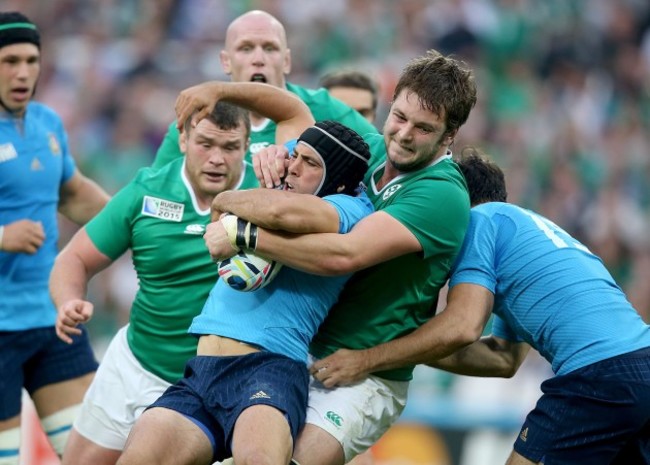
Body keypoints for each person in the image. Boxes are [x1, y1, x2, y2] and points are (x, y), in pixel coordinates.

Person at [174, 49, 477, 465]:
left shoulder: (441, 193)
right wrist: (222, 94)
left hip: (364, 374)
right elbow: (295, 112)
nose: (404, 134)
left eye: (423, 128)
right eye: (399, 117)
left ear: (449, 136)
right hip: (299, 355)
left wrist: (245, 235)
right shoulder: (370, 151)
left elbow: (343, 255)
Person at [309, 148, 650, 465]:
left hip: (598, 375)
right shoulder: (524, 233)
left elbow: (462, 327)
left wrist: (366, 357)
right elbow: (503, 358)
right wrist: (395, 341)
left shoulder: (479, 221)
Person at [116, 119, 374, 465]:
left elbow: (277, 212)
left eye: (310, 163)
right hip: (202, 370)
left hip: (269, 368)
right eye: (295, 156)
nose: (294, 168)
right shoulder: (277, 192)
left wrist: (229, 209)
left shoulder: (353, 209)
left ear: (339, 181)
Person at [49, 98, 268, 465]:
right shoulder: (146, 191)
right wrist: (69, 300)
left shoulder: (268, 199)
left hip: (206, 387)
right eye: (206, 144)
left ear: (247, 147)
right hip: (134, 365)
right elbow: (73, 258)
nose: (217, 158)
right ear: (182, 140)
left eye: (230, 147)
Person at [0, 12, 110, 464]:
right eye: (9, 61)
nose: (22, 72)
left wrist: (134, 221)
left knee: (93, 456)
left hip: (51, 320)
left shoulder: (47, 123)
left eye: (31, 60)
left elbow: (74, 193)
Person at [152, 9, 377, 169]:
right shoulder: (197, 121)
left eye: (270, 48)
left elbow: (383, 160)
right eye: (246, 48)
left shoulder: (324, 109)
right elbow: (151, 191)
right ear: (226, 61)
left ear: (286, 61)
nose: (258, 59)